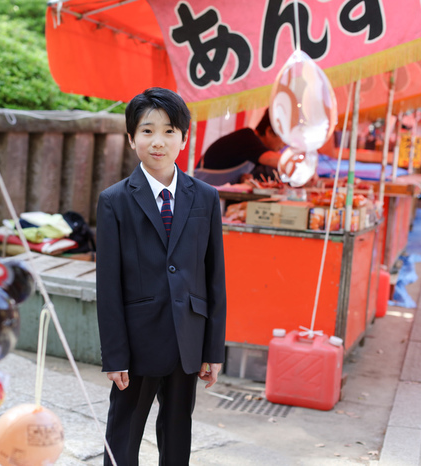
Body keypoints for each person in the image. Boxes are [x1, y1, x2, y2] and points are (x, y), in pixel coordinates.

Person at [95, 87, 227, 466]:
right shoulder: (114, 201)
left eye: (169, 131)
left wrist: (212, 349)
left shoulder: (205, 197)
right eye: (148, 130)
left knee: (177, 436)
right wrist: (114, 355)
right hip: (137, 347)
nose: (158, 141)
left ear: (183, 138)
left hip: (188, 341)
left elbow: (214, 276)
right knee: (123, 435)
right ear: (132, 138)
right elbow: (108, 285)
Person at [198, 109, 284, 181]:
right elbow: (271, 159)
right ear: (270, 132)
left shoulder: (253, 145)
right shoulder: (247, 138)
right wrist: (295, 164)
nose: (285, 143)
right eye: (284, 137)